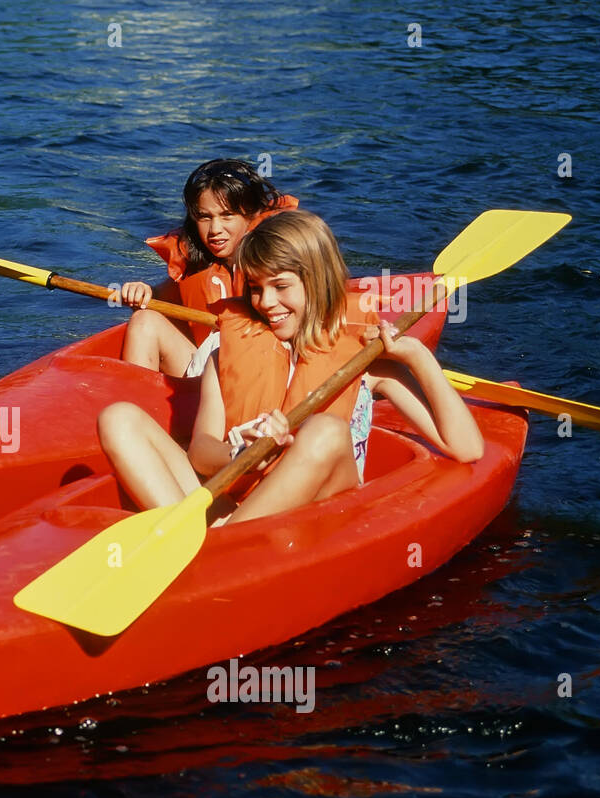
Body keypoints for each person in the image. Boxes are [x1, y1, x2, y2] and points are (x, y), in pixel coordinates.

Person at [98, 210, 483, 525]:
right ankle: (195, 536)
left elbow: (466, 448)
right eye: (255, 288)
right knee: (119, 417)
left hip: (320, 509)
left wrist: (417, 356)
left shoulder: (367, 364)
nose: (266, 302)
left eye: (281, 286)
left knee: (326, 431)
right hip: (238, 504)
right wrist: (239, 452)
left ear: (318, 282)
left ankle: (219, 542)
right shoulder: (227, 354)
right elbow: (201, 453)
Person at [112, 159, 297, 376]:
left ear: (253, 214)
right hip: (207, 370)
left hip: (265, 369)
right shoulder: (198, 265)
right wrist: (142, 293)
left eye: (227, 215)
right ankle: (136, 405)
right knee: (145, 320)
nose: (215, 229)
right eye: (205, 217)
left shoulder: (282, 260)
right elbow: (157, 298)